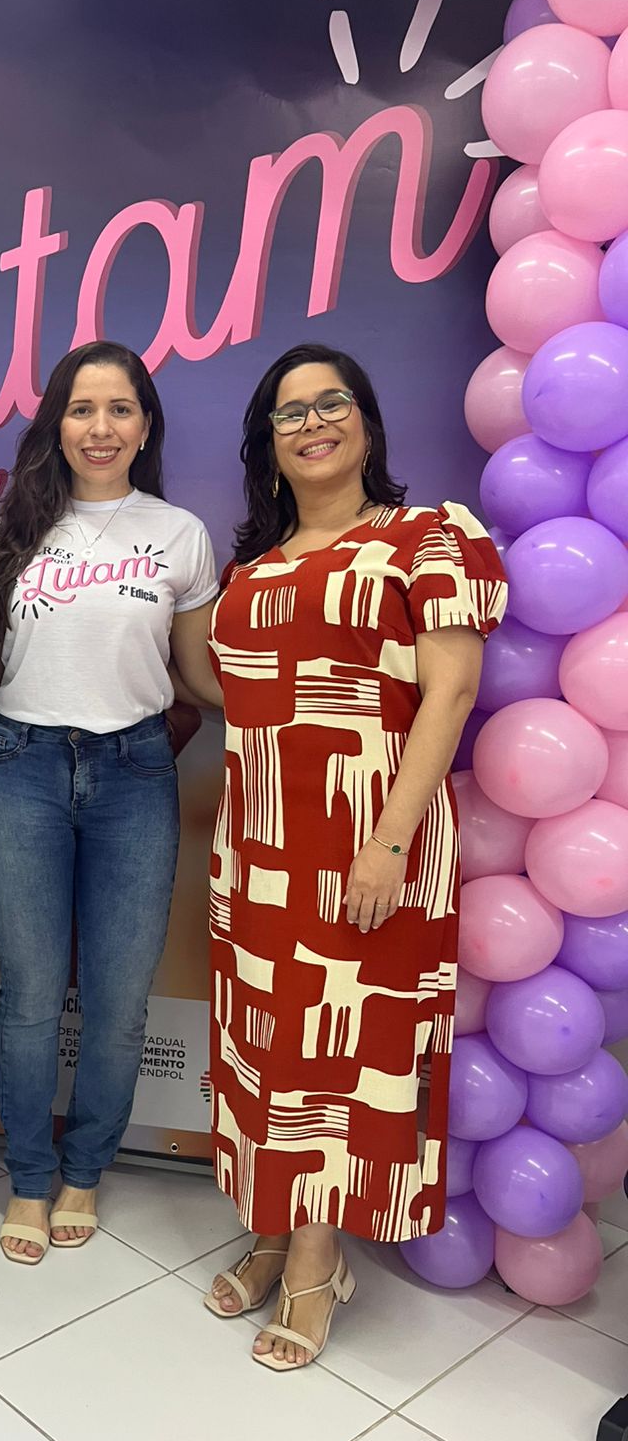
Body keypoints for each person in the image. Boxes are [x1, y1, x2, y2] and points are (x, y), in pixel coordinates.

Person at [170, 343, 506, 1368]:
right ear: (266, 446)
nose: (312, 422)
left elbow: (450, 691)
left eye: (331, 403)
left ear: (366, 421)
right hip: (260, 849)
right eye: (289, 412)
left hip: (369, 842)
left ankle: (319, 1264)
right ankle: (275, 1228)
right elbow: (235, 696)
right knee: (267, 1047)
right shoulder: (253, 570)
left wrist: (388, 841)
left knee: (336, 1055)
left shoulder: (427, 535)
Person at [0, 340, 220, 1264]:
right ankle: (31, 1179)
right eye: (82, 409)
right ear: (57, 424)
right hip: (22, 768)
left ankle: (86, 1170)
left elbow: (199, 677)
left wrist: (300, 700)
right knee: (32, 993)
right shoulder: (10, 529)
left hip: (135, 775)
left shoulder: (180, 534)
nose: (100, 427)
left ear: (145, 426)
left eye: (120, 409)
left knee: (118, 1000)